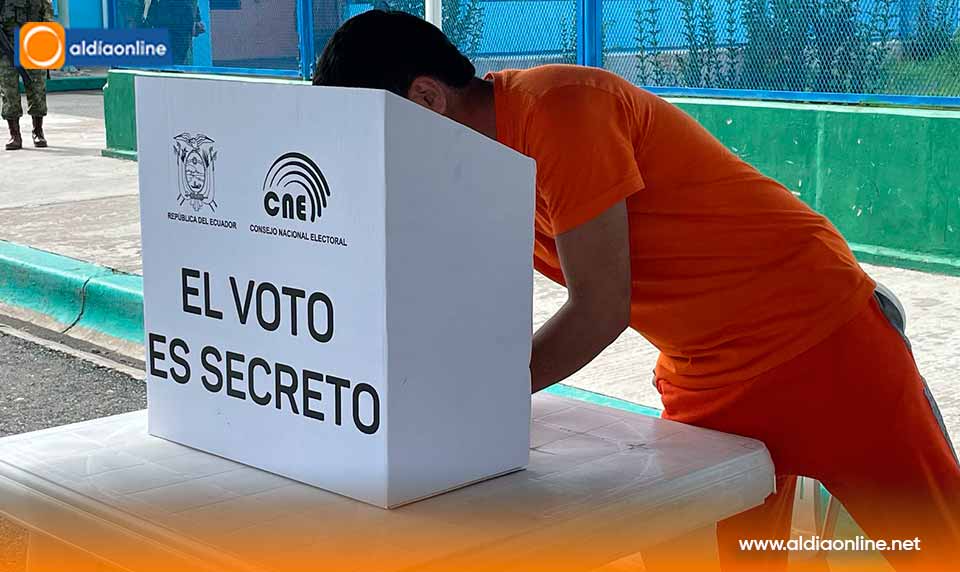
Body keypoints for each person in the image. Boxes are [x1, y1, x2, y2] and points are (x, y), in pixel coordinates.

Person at [312, 10, 960, 572]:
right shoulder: (469, 170)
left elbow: (600, 308)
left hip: (823, 341)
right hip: (705, 374)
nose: (375, 157)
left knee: (934, 544)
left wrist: (471, 403)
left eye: (374, 134)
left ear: (427, 99)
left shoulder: (560, 108)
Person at [0, 0, 52, 150]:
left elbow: (47, 15)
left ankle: (38, 131)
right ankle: (15, 135)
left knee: (37, 89)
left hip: (34, 42)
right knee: (9, 92)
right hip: (7, 46)